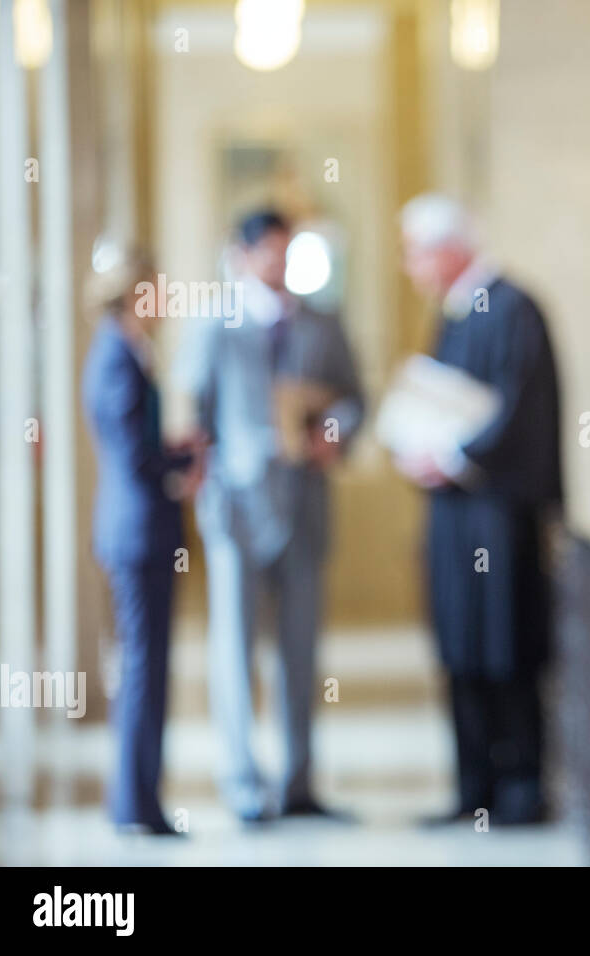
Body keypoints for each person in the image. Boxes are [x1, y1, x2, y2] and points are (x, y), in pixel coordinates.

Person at [176, 209, 365, 823]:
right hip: (235, 507)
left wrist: (333, 433)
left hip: (305, 502)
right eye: (270, 253)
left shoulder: (323, 323)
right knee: (234, 647)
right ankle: (243, 783)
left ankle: (300, 782)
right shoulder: (215, 323)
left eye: (288, 252)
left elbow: (354, 399)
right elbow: (193, 414)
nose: (280, 265)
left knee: (302, 650)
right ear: (243, 254)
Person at [395, 194, 562, 827]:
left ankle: (520, 791)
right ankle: (474, 790)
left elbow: (520, 412)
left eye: (415, 253)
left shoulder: (513, 307)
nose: (411, 267)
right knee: (462, 649)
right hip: (455, 517)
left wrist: (456, 454)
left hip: (499, 516)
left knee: (506, 648)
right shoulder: (458, 312)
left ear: (447, 248)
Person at [83, 246, 204, 835]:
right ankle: (138, 804)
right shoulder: (115, 356)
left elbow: (143, 442)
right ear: (135, 291)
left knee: (147, 670)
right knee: (142, 671)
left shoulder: (130, 351)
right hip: (137, 533)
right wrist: (178, 472)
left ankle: (137, 799)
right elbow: (134, 455)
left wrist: (180, 451)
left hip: (143, 528)